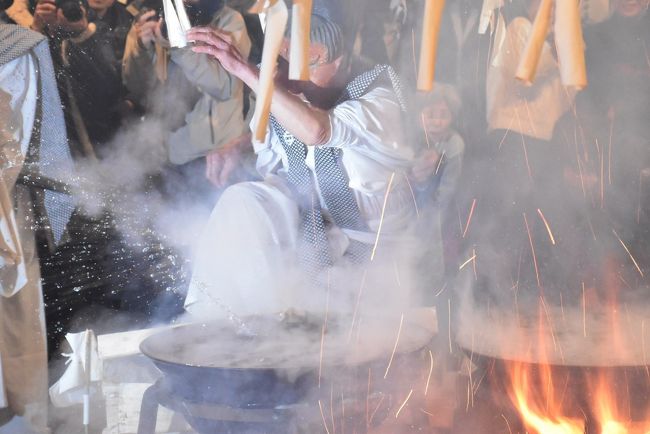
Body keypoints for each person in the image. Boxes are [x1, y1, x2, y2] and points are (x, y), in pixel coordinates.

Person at [183, 0, 418, 320]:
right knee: (244, 200)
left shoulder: (379, 99)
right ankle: (232, 324)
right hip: (313, 240)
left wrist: (244, 70)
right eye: (282, 57)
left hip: (376, 258)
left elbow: (318, 131)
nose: (292, 74)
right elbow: (284, 144)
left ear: (342, 61)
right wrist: (239, 146)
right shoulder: (286, 95)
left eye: (308, 60)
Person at [0, 12, 75, 433]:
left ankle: (21, 419)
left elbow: (11, 139)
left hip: (7, 208)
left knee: (14, 322)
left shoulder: (14, 49)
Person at [122, 0, 251, 205]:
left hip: (214, 154)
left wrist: (179, 45)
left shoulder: (228, 20)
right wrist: (138, 48)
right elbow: (137, 88)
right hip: (167, 150)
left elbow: (224, 87)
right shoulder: (156, 17)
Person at [30, 0, 133, 157]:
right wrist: (38, 29)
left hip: (106, 137)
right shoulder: (27, 23)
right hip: (57, 137)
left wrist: (83, 33)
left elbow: (111, 85)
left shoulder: (119, 23)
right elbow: (27, 82)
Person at [410, 83, 464, 303]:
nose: (436, 121)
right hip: (409, 209)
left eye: (443, 115)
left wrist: (432, 213)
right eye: (430, 114)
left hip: (439, 210)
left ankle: (435, 300)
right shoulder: (412, 140)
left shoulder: (454, 144)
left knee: (434, 254)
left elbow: (448, 186)